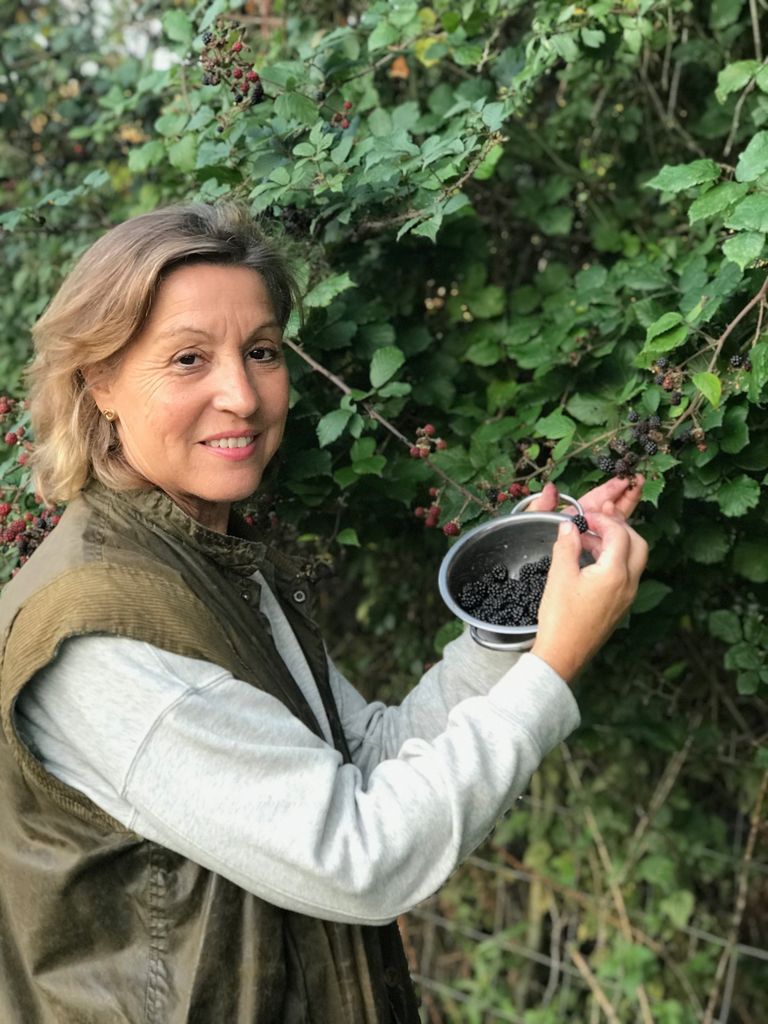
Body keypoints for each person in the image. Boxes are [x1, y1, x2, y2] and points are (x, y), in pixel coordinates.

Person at [0, 202, 647, 1024]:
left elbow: (368, 757)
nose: (240, 394)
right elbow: (361, 857)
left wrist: (519, 607)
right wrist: (553, 667)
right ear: (100, 384)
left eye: (261, 352)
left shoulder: (208, 560)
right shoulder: (100, 636)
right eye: (189, 359)